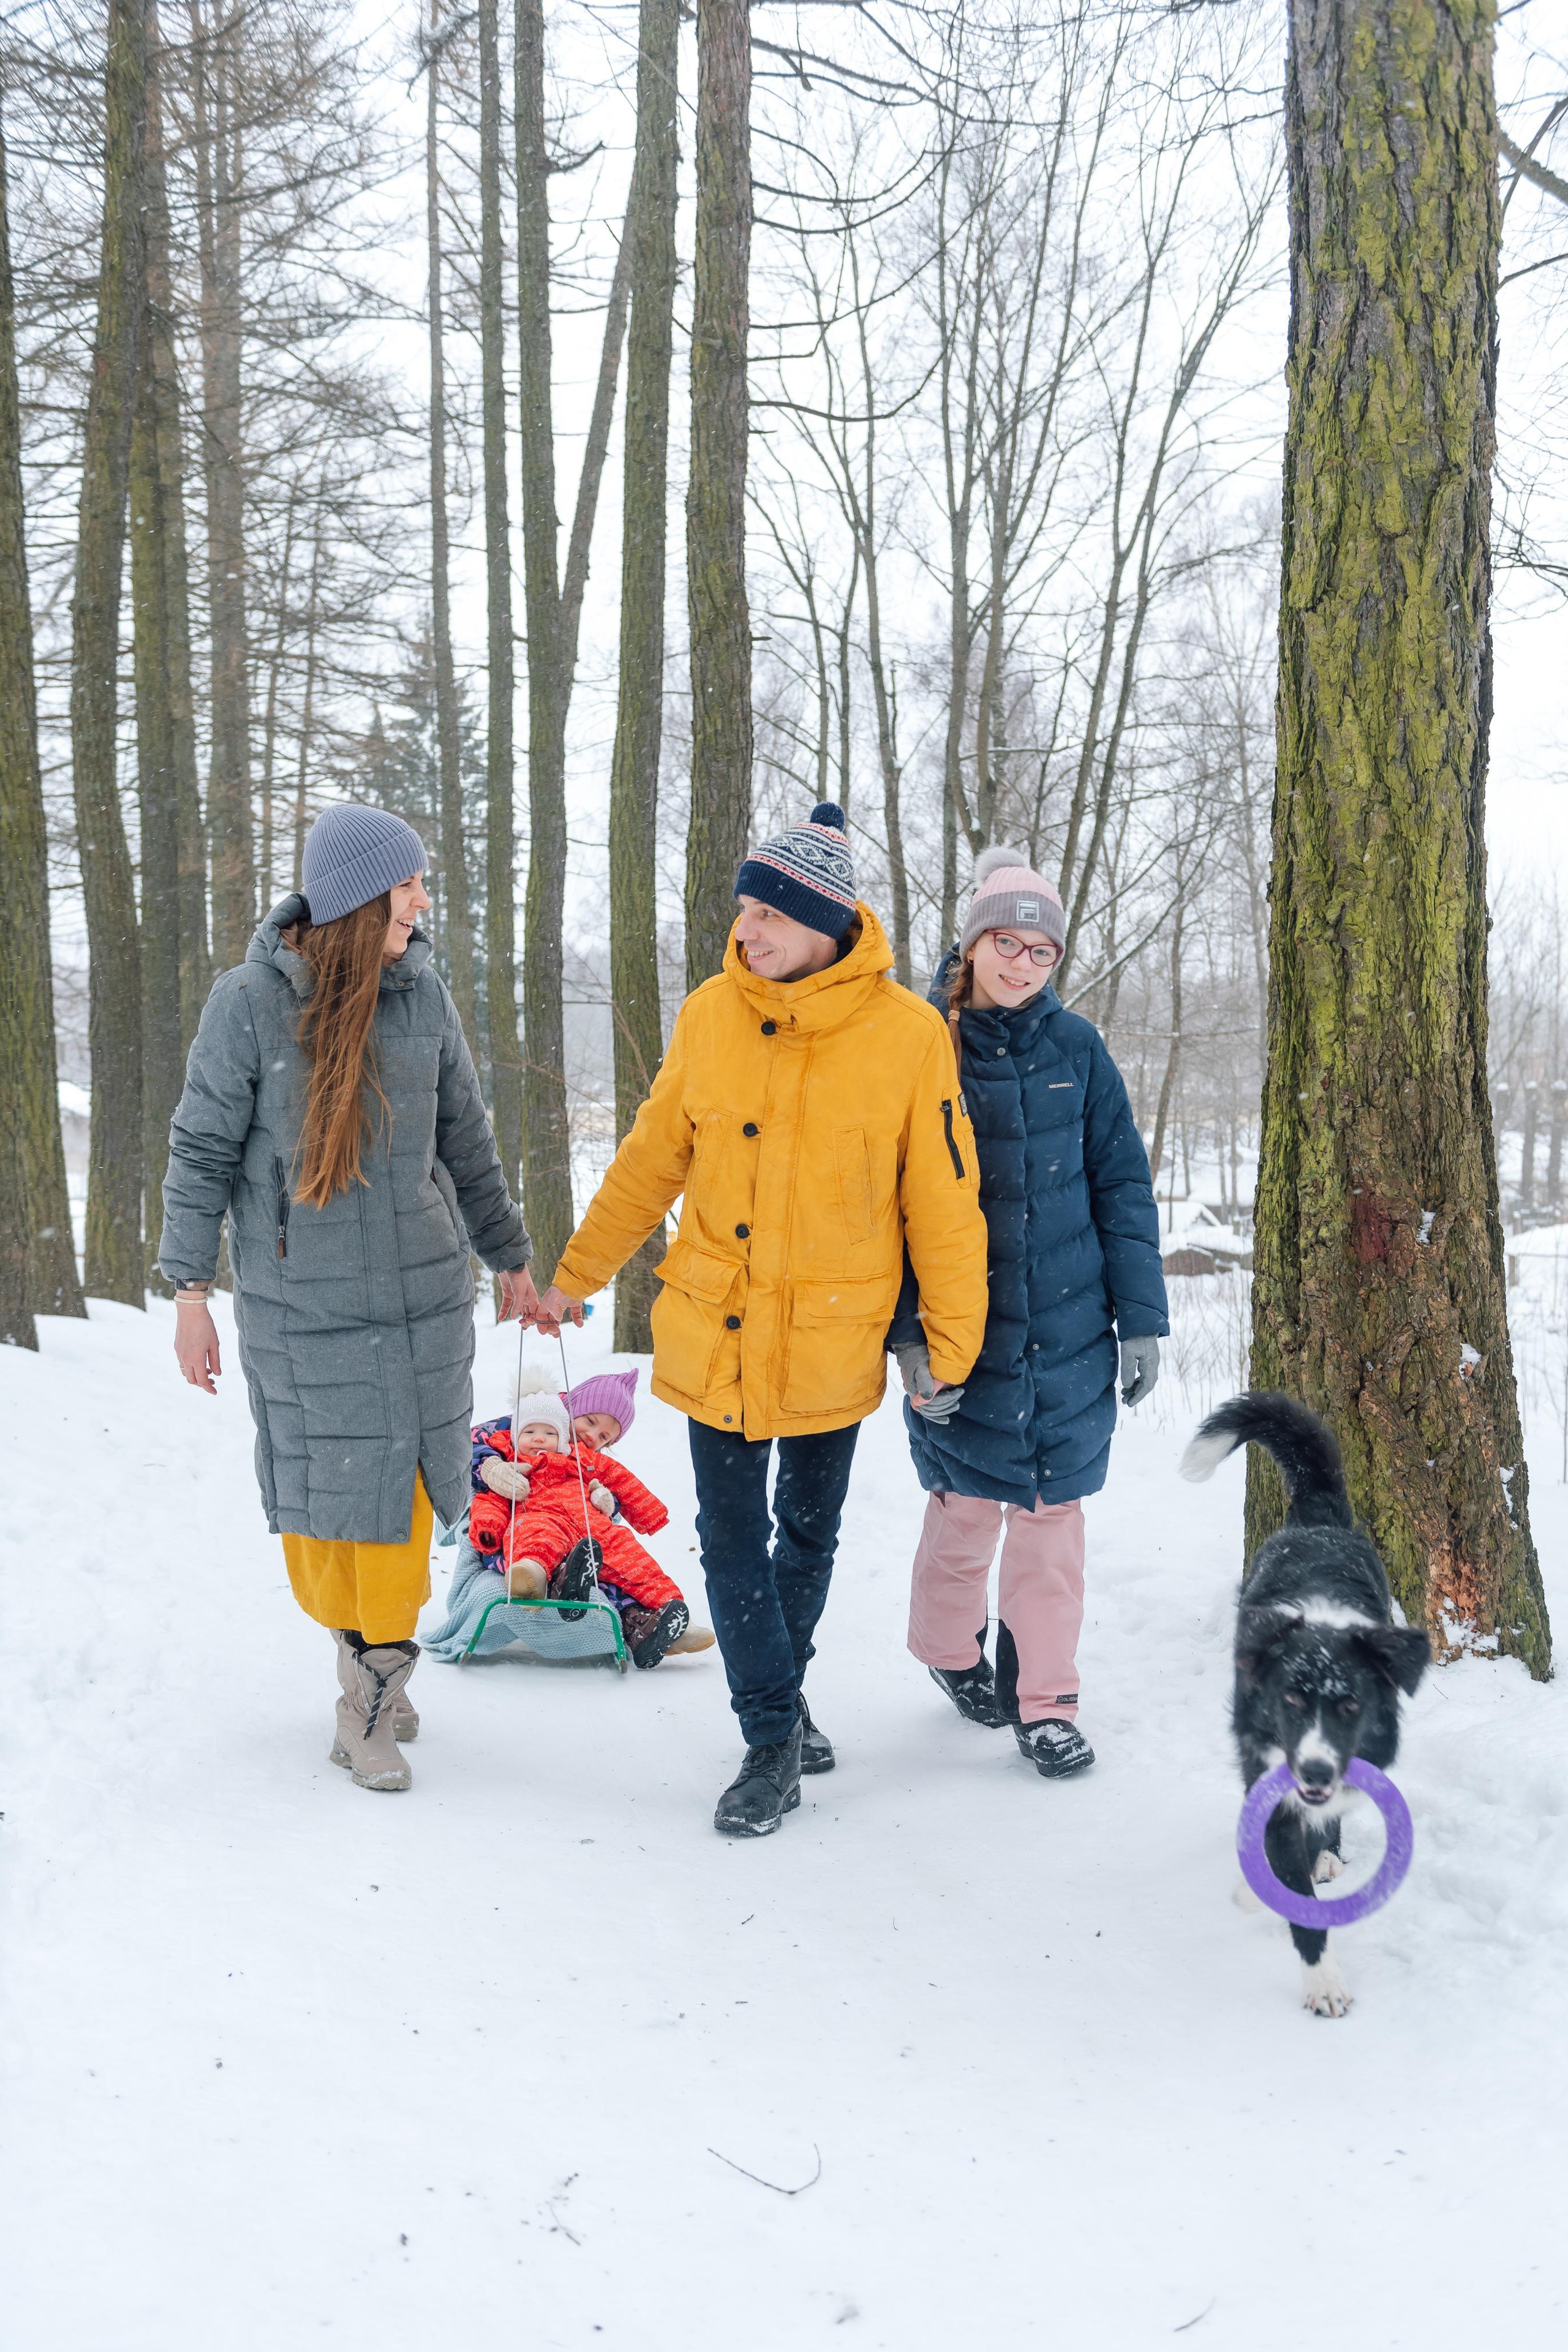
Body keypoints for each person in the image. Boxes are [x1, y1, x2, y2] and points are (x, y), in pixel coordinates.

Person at [534, 802, 989, 1836]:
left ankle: (779, 1693)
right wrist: (575, 1275)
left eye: (767, 915)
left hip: (834, 1333)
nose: (745, 930)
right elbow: (650, 1161)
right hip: (720, 1327)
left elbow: (943, 1201)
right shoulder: (710, 1015)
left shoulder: (909, 1037)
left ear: (823, 922)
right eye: (744, 911)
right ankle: (772, 1736)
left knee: (808, 1535)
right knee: (731, 1537)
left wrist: (950, 1346)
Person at [160, 802, 536, 1793]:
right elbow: (201, 1151)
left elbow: (466, 1139)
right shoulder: (250, 1004)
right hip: (303, 1317)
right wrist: (191, 1293)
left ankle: (368, 1697)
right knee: (332, 1524)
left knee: (399, 1520)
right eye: (408, 885)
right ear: (361, 898)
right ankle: (367, 1655)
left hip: (421, 1309)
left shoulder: (422, 997)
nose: (423, 902)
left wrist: (509, 1257)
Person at [894, 847, 1168, 1779]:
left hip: (1070, 1337)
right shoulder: (923, 1043)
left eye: (1042, 952)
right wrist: (908, 1339)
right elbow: (886, 1206)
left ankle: (1045, 1703)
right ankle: (947, 1650)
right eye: (1006, 944)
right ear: (973, 943)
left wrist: (1143, 1318)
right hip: (963, 1339)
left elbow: (1122, 1186)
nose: (1021, 965)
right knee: (966, 1513)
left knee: (1052, 1528)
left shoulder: (1078, 1050)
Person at [469, 1365, 714, 1668]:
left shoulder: (586, 1460)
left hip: (583, 1534)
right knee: (545, 1539)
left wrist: (609, 1504)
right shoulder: (533, 1419)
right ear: (572, 1407)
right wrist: (491, 1468)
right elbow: (471, 1443)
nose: (591, 1435)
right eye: (590, 1421)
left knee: (624, 1558)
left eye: (604, 1437)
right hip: (524, 1523)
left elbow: (617, 1482)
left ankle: (656, 1621)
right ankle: (549, 1580)